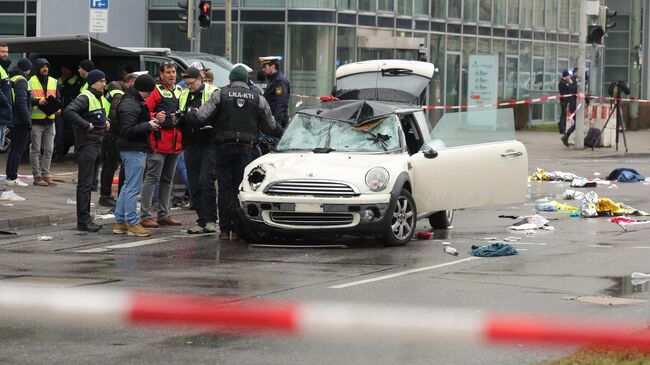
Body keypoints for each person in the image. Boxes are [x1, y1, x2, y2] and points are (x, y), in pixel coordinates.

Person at [192, 65, 283, 240]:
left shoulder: (220, 94)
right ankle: (239, 230)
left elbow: (201, 117)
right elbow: (271, 126)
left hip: (223, 148)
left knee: (225, 188)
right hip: (247, 150)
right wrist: (285, 134)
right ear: (246, 81)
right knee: (243, 188)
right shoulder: (258, 98)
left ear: (231, 80)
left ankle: (225, 231)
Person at [63, 70, 110, 232]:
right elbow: (69, 111)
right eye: (102, 81)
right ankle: (83, 221)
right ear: (93, 82)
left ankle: (86, 219)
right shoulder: (86, 96)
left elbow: (97, 116)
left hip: (96, 144)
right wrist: (85, 125)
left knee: (89, 184)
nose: (105, 84)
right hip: (87, 145)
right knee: (84, 184)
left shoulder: (98, 97)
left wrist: (106, 122)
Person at [140, 62, 184, 228]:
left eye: (173, 72)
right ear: (161, 74)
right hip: (158, 143)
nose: (172, 75)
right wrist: (155, 115)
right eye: (168, 72)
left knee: (167, 180)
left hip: (175, 144)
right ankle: (144, 215)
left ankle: (164, 214)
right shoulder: (156, 91)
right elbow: (143, 110)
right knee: (152, 179)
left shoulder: (180, 91)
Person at [113, 74, 157, 237]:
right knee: (133, 188)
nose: (151, 95)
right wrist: (148, 125)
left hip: (130, 148)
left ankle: (120, 221)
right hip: (133, 149)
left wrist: (149, 121)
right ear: (144, 90)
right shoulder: (131, 103)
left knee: (127, 186)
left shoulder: (131, 100)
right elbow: (127, 130)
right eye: (150, 91)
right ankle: (132, 222)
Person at [176, 67, 219, 234]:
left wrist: (193, 116)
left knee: (206, 181)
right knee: (194, 184)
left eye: (191, 83)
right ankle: (201, 220)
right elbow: (182, 115)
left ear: (200, 79)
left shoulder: (213, 92)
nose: (189, 87)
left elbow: (216, 116)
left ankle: (211, 220)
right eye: (186, 84)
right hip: (191, 143)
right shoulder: (185, 94)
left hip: (210, 143)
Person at [98, 73, 137, 207]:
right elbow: (115, 116)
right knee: (111, 165)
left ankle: (105, 194)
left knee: (109, 165)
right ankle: (105, 195)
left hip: (109, 133)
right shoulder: (119, 94)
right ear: (130, 83)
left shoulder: (115, 91)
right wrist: (125, 130)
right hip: (112, 134)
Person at [29, 58, 61, 186]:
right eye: (42, 66)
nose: (45, 69)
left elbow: (58, 98)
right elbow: (27, 100)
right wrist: (38, 101)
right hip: (36, 121)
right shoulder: (30, 82)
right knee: (36, 150)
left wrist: (58, 108)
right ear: (37, 68)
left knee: (49, 149)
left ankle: (46, 175)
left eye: (47, 66)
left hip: (50, 120)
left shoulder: (54, 81)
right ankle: (37, 177)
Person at [4, 59, 33, 188]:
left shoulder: (13, 78)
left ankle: (10, 175)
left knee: (14, 149)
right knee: (18, 149)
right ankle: (12, 177)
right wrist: (28, 121)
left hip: (13, 118)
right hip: (20, 121)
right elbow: (22, 103)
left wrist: (35, 101)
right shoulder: (22, 80)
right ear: (26, 69)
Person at [259, 56, 290, 128]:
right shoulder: (273, 80)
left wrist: (276, 125)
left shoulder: (280, 81)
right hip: (271, 120)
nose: (263, 69)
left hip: (277, 122)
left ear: (273, 66)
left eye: (265, 66)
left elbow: (281, 104)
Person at [559, 69, 578, 147]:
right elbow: (571, 91)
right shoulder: (564, 83)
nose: (569, 77)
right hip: (569, 103)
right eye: (568, 76)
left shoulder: (568, 82)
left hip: (572, 103)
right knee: (577, 122)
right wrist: (571, 83)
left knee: (577, 122)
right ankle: (565, 134)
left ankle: (566, 135)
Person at [0, 43, 12, 154]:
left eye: (6, 52)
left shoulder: (4, 69)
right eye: (2, 52)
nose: (5, 54)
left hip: (3, 115)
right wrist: (7, 104)